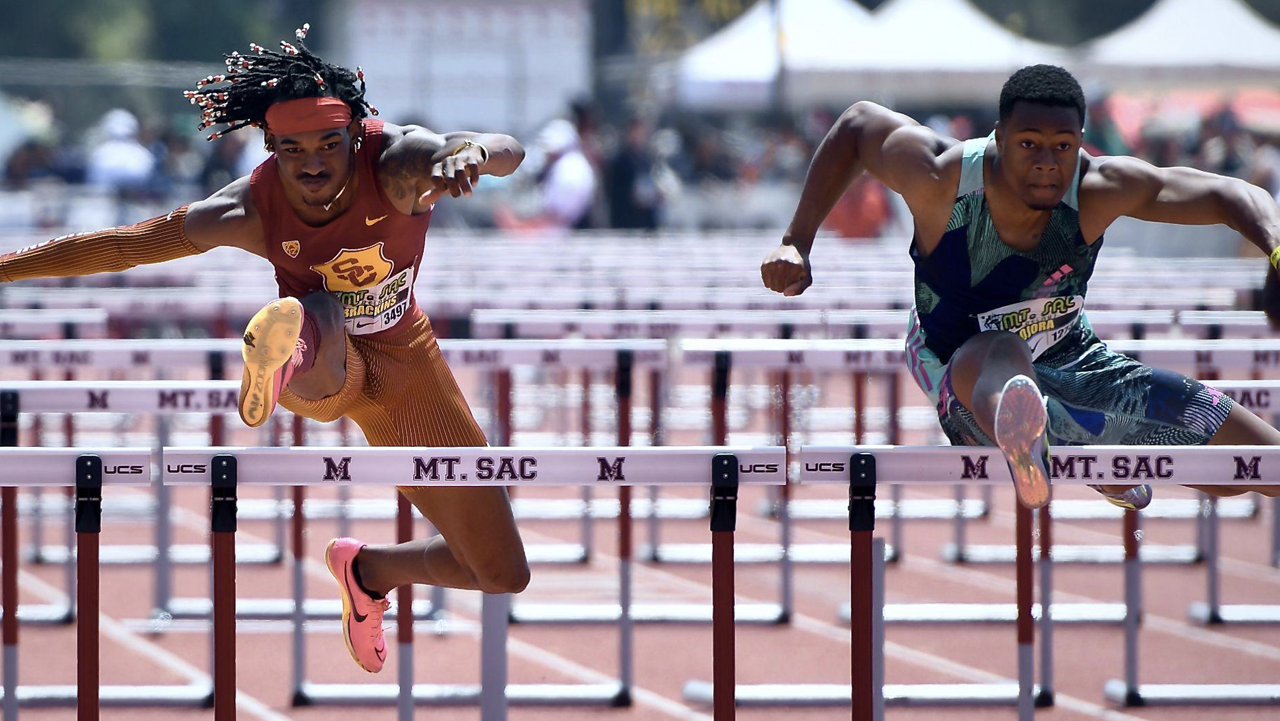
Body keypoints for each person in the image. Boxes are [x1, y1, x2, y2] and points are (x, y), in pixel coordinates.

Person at [0, 25, 530, 674]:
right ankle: (281, 349)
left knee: (502, 570)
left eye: (328, 146)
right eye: (292, 149)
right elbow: (125, 245)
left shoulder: (397, 165)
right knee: (323, 314)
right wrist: (4, 268)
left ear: (354, 138)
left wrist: (473, 149)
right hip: (326, 368)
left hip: (409, 365)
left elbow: (506, 149)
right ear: (269, 146)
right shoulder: (250, 207)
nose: (311, 164)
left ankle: (367, 570)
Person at [761, 64, 1280, 509]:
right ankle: (1038, 441)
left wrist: (1277, 247)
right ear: (999, 138)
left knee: (1257, 463)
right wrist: (796, 241)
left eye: (1062, 147)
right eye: (1029, 144)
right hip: (962, 369)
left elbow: (1230, 194)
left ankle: (1071, 440)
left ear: (1081, 143)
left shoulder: (1098, 188)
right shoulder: (940, 178)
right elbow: (856, 125)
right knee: (1001, 351)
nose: (1047, 162)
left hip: (1075, 359)